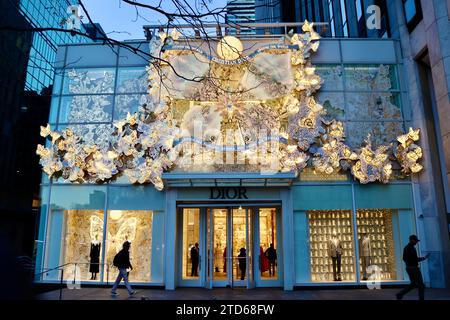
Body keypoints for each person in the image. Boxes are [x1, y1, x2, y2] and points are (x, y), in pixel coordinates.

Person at [396, 235, 429, 300]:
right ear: (412, 240)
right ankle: (421, 299)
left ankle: (400, 294)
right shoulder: (411, 248)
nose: (416, 242)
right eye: (415, 241)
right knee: (421, 285)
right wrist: (424, 258)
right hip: (414, 268)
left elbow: (404, 258)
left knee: (413, 284)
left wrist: (408, 264)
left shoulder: (406, 248)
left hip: (409, 268)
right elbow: (415, 259)